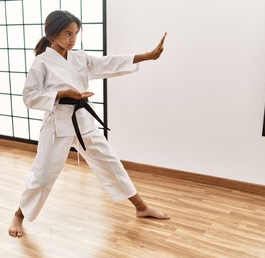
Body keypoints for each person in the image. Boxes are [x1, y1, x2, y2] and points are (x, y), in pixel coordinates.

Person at [9, 10, 169, 237]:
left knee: (110, 163)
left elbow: (109, 63)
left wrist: (147, 55)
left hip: (83, 121)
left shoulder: (79, 57)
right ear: (52, 35)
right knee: (43, 175)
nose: (73, 38)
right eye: (67, 33)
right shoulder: (42, 62)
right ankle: (18, 215)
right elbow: (29, 96)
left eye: (75, 33)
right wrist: (60, 93)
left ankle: (141, 207)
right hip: (57, 125)